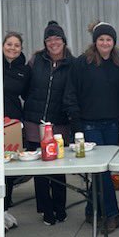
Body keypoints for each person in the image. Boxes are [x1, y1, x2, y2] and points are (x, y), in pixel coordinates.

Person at [63, 21, 119, 232]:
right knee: (101, 173)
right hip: (89, 126)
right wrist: (76, 125)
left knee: (105, 171)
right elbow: (70, 94)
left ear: (113, 42)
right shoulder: (82, 63)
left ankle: (91, 210)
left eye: (108, 39)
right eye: (101, 39)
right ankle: (112, 214)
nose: (105, 42)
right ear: (95, 42)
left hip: (113, 124)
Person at [23, 21, 73, 226]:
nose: (53, 43)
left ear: (63, 41)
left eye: (57, 39)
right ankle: (46, 209)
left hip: (59, 123)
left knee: (57, 167)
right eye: (49, 39)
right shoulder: (36, 60)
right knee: (40, 169)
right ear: (45, 43)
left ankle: (60, 207)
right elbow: (25, 86)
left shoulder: (73, 63)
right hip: (35, 122)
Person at [0, 31, 31, 232]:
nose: (12, 48)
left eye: (16, 45)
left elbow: (27, 94)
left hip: (12, 124)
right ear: (2, 46)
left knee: (9, 170)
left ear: (21, 48)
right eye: (9, 44)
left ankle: (5, 209)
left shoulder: (24, 70)